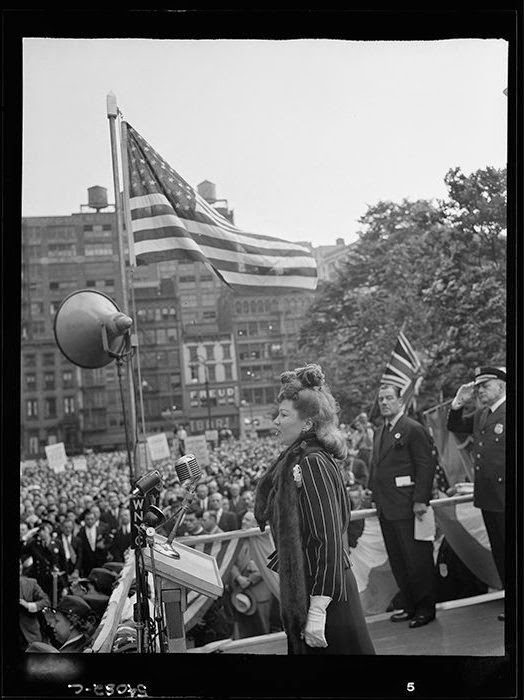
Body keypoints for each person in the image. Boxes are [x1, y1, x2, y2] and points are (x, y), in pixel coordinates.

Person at [254, 363, 375, 655]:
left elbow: (327, 538)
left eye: (284, 415)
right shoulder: (301, 459)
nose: (276, 422)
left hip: (326, 593)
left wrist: (319, 608)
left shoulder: (311, 463)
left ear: (307, 424)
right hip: (312, 585)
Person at [368, 383, 437, 628]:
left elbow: (425, 465)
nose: (384, 403)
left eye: (389, 398)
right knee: (399, 561)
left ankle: (425, 609)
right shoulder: (380, 431)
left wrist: (420, 499)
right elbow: (378, 467)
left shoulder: (413, 428)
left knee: (417, 560)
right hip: (387, 508)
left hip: (409, 507)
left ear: (400, 401)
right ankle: (409, 605)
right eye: (381, 399)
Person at [447, 366, 506, 621]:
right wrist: (458, 402)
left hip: (506, 495)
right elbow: (455, 425)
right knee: (501, 553)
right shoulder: (482, 414)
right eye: (478, 386)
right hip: (489, 497)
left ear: (502, 385)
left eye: (485, 385)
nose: (480, 390)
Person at [229, 511, 274, 639]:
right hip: (240, 592)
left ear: (256, 524)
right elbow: (230, 562)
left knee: (262, 630)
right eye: (243, 519)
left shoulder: (265, 539)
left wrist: (250, 580)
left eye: (247, 520)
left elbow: (269, 563)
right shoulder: (236, 540)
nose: (243, 522)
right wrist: (238, 578)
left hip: (260, 593)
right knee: (242, 630)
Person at [19, 558, 50, 650]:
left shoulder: (30, 583)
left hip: (29, 635)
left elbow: (46, 601)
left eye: (19, 564)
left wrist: (29, 605)